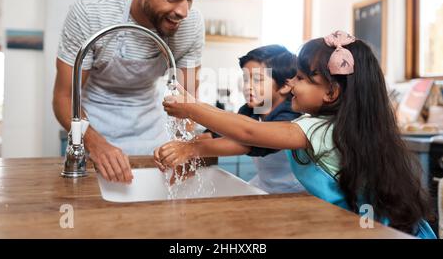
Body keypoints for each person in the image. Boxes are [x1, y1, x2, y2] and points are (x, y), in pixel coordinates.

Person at [160, 31, 436, 238]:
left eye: (302, 78)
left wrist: (191, 108)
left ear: (331, 92)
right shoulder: (332, 124)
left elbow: (248, 133)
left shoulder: (313, 127)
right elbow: (239, 126)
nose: (292, 82)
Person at [53, 0, 204, 183]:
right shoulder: (91, 14)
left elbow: (188, 103)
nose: (183, 11)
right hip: (94, 128)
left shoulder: (191, 25)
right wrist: (94, 143)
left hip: (151, 133)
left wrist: (184, 146)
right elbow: (64, 98)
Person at [155, 45, 305, 193]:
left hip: (297, 192)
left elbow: (246, 142)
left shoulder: (291, 115)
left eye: (258, 80)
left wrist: (189, 149)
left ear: (286, 85)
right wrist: (176, 148)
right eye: (246, 79)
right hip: (264, 186)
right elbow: (218, 134)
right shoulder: (251, 110)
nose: (248, 86)